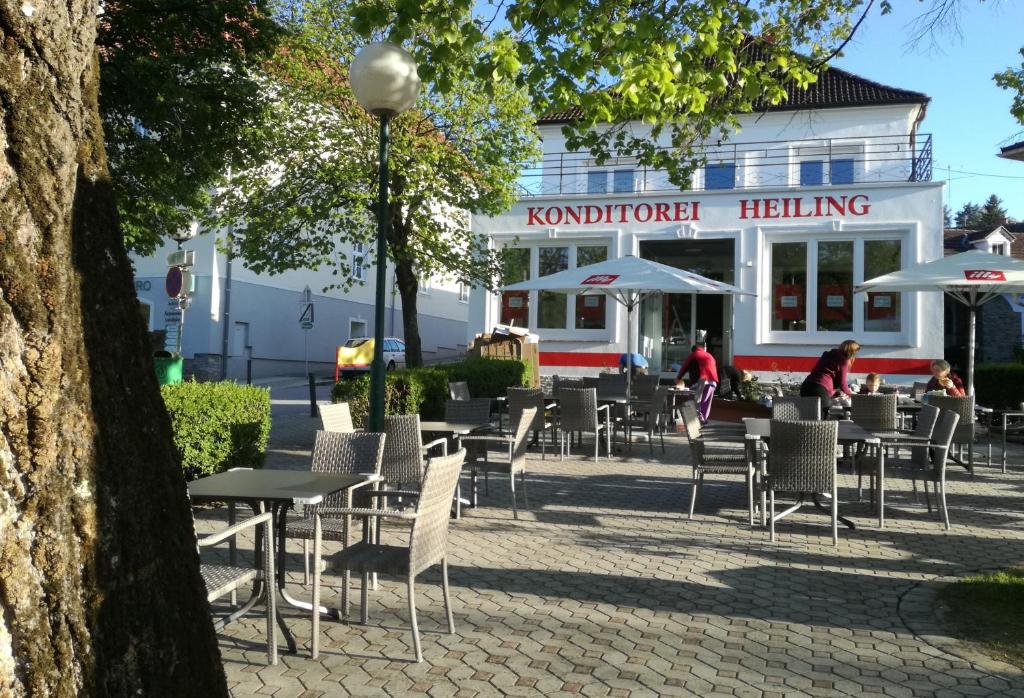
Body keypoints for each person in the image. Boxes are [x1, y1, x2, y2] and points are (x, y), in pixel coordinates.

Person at [800, 339, 861, 416]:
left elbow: (819, 372)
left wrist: (835, 391)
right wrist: (853, 396)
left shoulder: (827, 354)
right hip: (819, 390)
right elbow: (842, 384)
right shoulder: (843, 361)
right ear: (852, 353)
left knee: (806, 417)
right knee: (823, 420)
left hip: (806, 386)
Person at [677, 331, 718, 423]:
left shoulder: (694, 354)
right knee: (706, 402)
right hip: (712, 381)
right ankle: (703, 420)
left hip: (700, 381)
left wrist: (678, 378)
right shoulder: (709, 355)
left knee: (695, 401)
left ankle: (696, 420)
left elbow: (685, 367)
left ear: (693, 350)